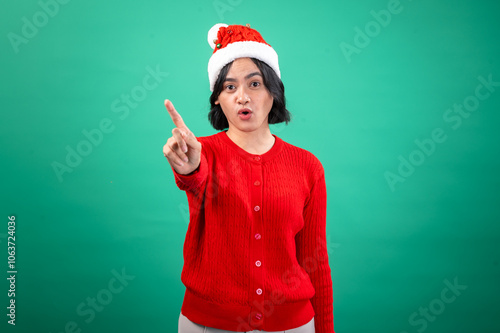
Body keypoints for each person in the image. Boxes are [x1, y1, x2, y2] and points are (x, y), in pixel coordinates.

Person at [163, 23, 334, 333]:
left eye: (254, 84)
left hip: (292, 325)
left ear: (273, 90)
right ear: (218, 99)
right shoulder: (203, 153)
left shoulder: (308, 166)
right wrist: (188, 168)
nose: (242, 96)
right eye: (230, 87)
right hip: (206, 325)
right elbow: (194, 179)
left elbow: (315, 261)